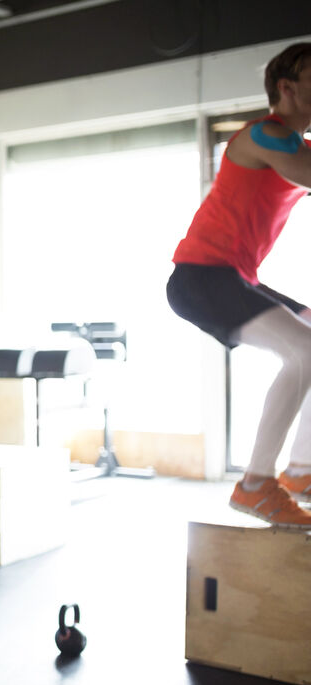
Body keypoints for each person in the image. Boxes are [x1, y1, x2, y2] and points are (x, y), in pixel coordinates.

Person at [168, 42, 311, 528]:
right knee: (306, 349)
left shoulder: (294, 143)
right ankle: (256, 485)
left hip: (232, 277)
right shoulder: (265, 135)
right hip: (200, 276)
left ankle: (301, 472)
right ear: (287, 89)